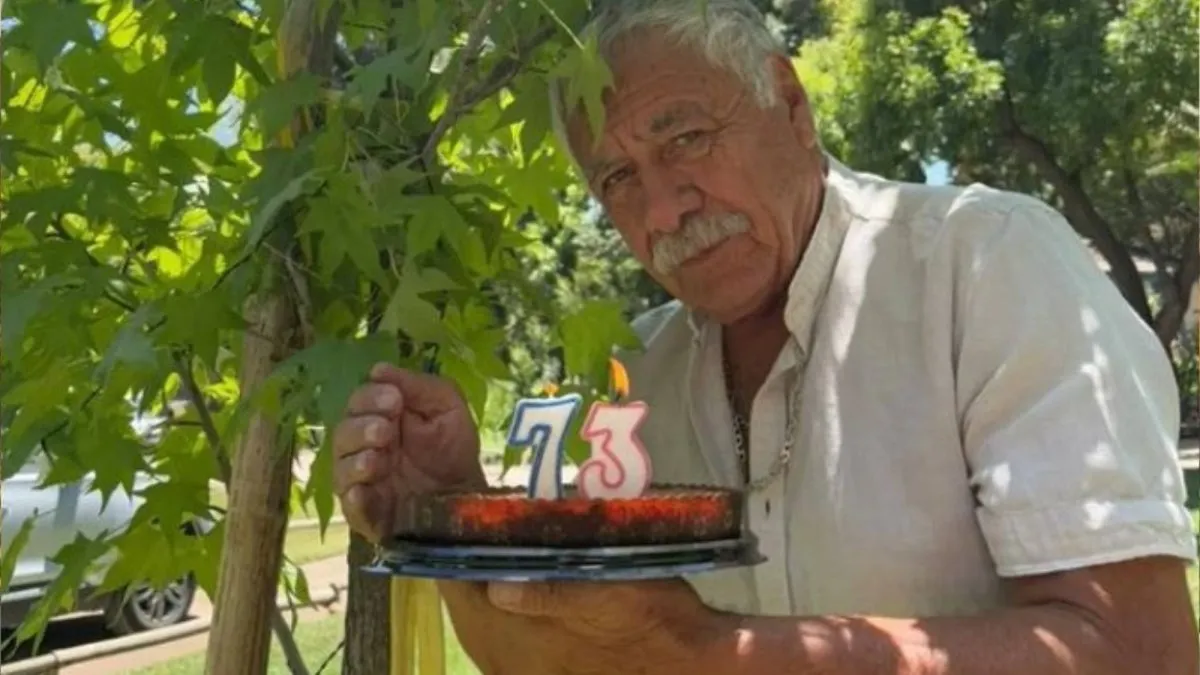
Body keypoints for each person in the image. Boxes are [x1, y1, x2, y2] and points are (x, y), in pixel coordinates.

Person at [333, 1, 1200, 672]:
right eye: (619, 176)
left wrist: (701, 650)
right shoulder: (641, 372)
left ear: (790, 103)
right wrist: (442, 513)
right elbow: (563, 659)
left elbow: (1138, 653)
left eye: (688, 138)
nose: (664, 207)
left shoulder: (982, 269)